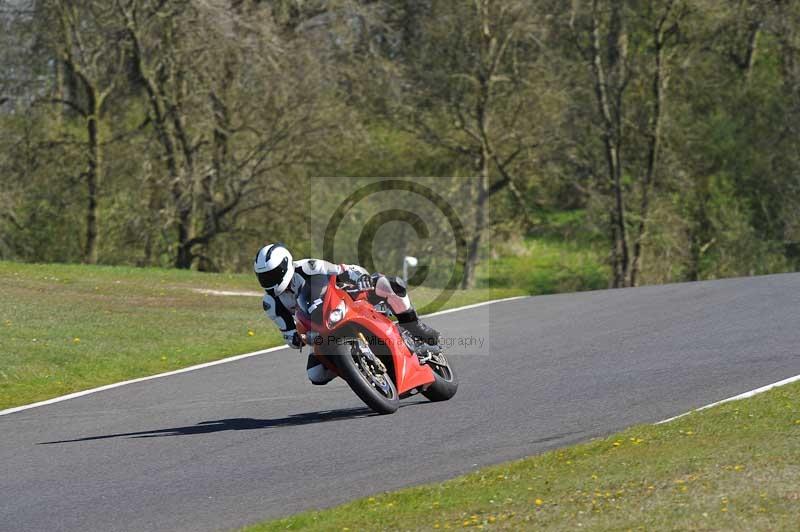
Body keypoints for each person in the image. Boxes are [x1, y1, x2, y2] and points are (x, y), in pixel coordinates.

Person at [253, 243, 440, 385]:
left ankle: (413, 324)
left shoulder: (309, 267)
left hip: (345, 299)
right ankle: (356, 369)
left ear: (286, 265)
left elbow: (344, 270)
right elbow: (287, 332)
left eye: (272, 274)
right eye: (264, 277)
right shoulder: (271, 303)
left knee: (388, 284)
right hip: (319, 330)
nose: (269, 280)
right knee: (316, 374)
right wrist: (295, 339)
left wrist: (362, 278)